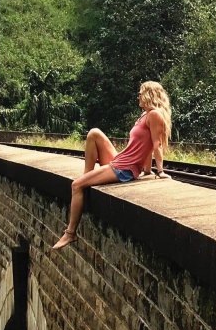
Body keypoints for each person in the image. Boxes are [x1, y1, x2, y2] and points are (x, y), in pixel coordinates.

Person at [52, 81, 172, 252]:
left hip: (124, 168)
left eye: (141, 93)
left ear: (149, 95)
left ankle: (70, 232)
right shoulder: (144, 116)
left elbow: (156, 145)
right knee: (94, 133)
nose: (138, 96)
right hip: (122, 160)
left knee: (76, 185)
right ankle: (88, 177)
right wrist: (146, 170)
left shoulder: (154, 115)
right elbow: (142, 146)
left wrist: (160, 171)